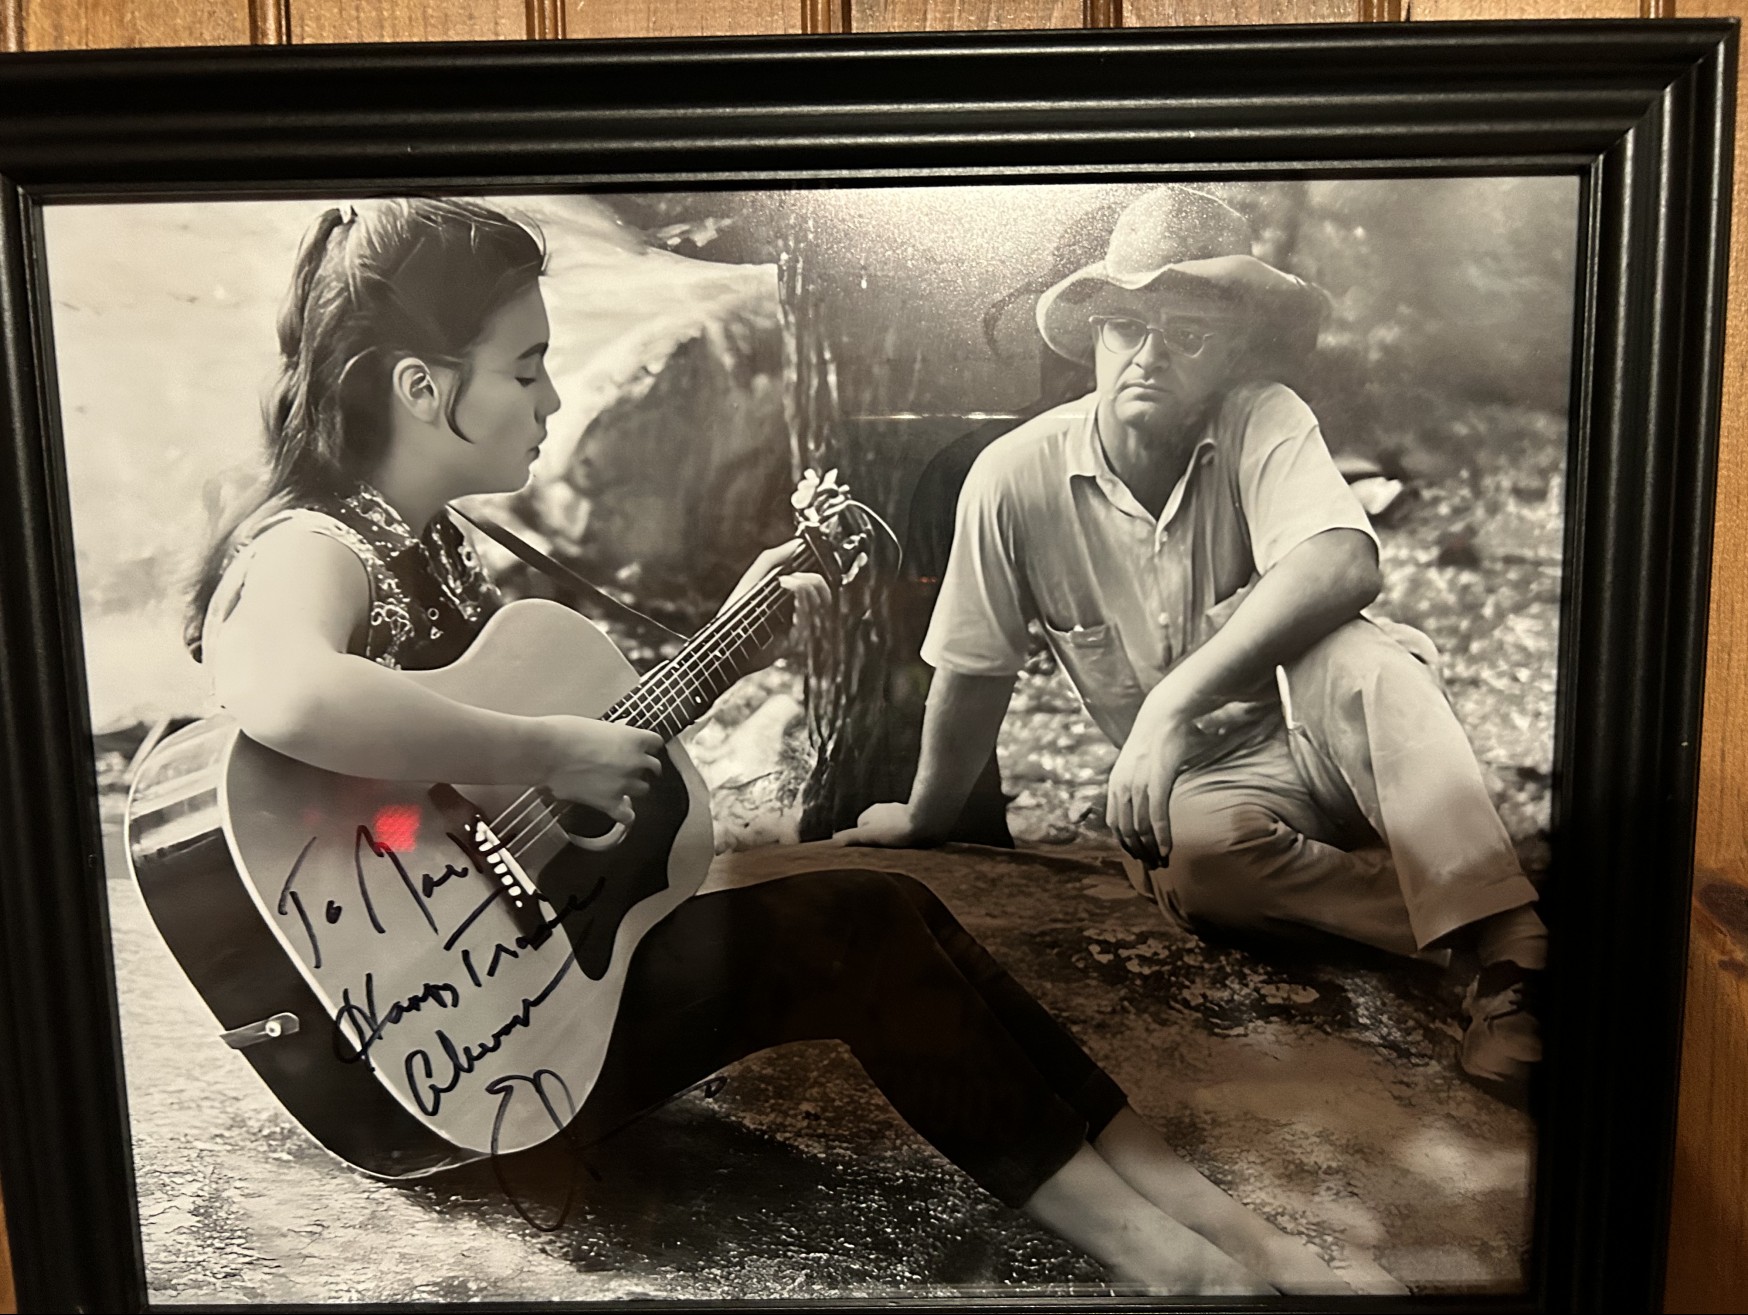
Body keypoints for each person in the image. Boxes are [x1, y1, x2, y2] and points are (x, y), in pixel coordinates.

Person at [188, 196, 1353, 1294]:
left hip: (500, 987)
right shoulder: (311, 544)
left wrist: (721, 649)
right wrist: (552, 749)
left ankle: (1210, 1216)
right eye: (527, 368)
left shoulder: (429, 539)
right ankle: (1171, 1262)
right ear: (421, 387)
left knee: (894, 907)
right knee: (853, 937)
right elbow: (291, 693)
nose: (551, 397)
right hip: (427, 1060)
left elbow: (477, 782)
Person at [836, 185, 1547, 1093]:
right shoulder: (1012, 479)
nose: (1149, 356)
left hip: (1335, 744)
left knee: (1362, 658)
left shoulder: (1262, 416)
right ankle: (1483, 938)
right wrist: (925, 815)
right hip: (1214, 785)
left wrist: (1171, 703)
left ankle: (1511, 949)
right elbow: (976, 670)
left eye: (1189, 332)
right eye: (1124, 327)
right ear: (1094, 338)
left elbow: (1342, 562)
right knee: (1202, 867)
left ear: (1236, 348)